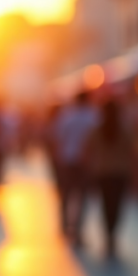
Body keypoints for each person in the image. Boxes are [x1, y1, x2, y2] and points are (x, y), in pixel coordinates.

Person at [86, 100, 134, 259]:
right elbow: (132, 151)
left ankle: (108, 235)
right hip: (120, 172)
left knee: (106, 205)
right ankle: (113, 235)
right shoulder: (124, 129)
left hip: (102, 172)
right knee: (117, 206)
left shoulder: (97, 129)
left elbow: (88, 149)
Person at [52, 92, 100, 245]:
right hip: (86, 163)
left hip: (68, 160)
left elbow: (58, 138)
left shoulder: (67, 117)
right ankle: (78, 230)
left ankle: (64, 226)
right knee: (83, 196)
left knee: (66, 194)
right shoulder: (94, 117)